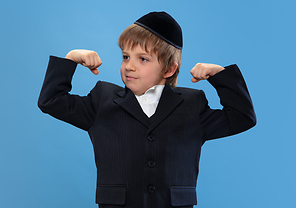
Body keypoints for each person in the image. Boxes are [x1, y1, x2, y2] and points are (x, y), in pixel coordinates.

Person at [38, 11, 256, 208]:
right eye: (125, 56)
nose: (129, 66)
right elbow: (51, 100)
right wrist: (70, 59)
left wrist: (219, 75)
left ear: (169, 69)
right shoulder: (102, 99)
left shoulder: (192, 103)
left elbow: (242, 117)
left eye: (143, 59)